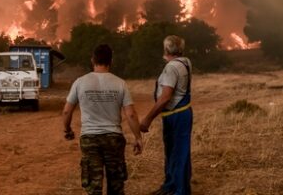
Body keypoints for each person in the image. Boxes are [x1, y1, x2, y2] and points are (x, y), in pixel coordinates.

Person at [62, 44, 143, 195]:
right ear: (110, 61)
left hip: (89, 139)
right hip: (114, 139)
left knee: (94, 187)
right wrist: (138, 137)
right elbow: (131, 114)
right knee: (116, 185)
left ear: (92, 60)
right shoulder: (120, 83)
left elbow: (67, 111)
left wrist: (67, 130)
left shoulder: (80, 82)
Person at [140, 35, 193, 195]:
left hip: (176, 115)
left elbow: (165, 97)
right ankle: (170, 185)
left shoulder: (171, 68)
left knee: (178, 153)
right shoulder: (185, 61)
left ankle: (179, 190)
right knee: (174, 151)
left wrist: (148, 119)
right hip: (181, 113)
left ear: (167, 49)